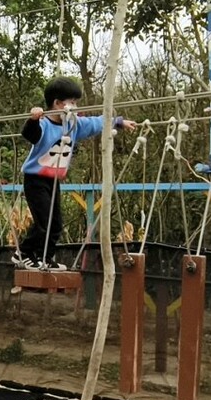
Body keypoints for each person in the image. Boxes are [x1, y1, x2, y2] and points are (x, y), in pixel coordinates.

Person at [14, 76, 137, 271]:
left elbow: (96, 123)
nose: (75, 107)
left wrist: (118, 122)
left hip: (53, 181)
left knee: (56, 224)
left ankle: (45, 258)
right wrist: (33, 119)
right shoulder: (44, 124)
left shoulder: (73, 125)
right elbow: (30, 135)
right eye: (72, 102)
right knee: (43, 220)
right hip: (35, 180)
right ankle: (25, 253)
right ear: (57, 103)